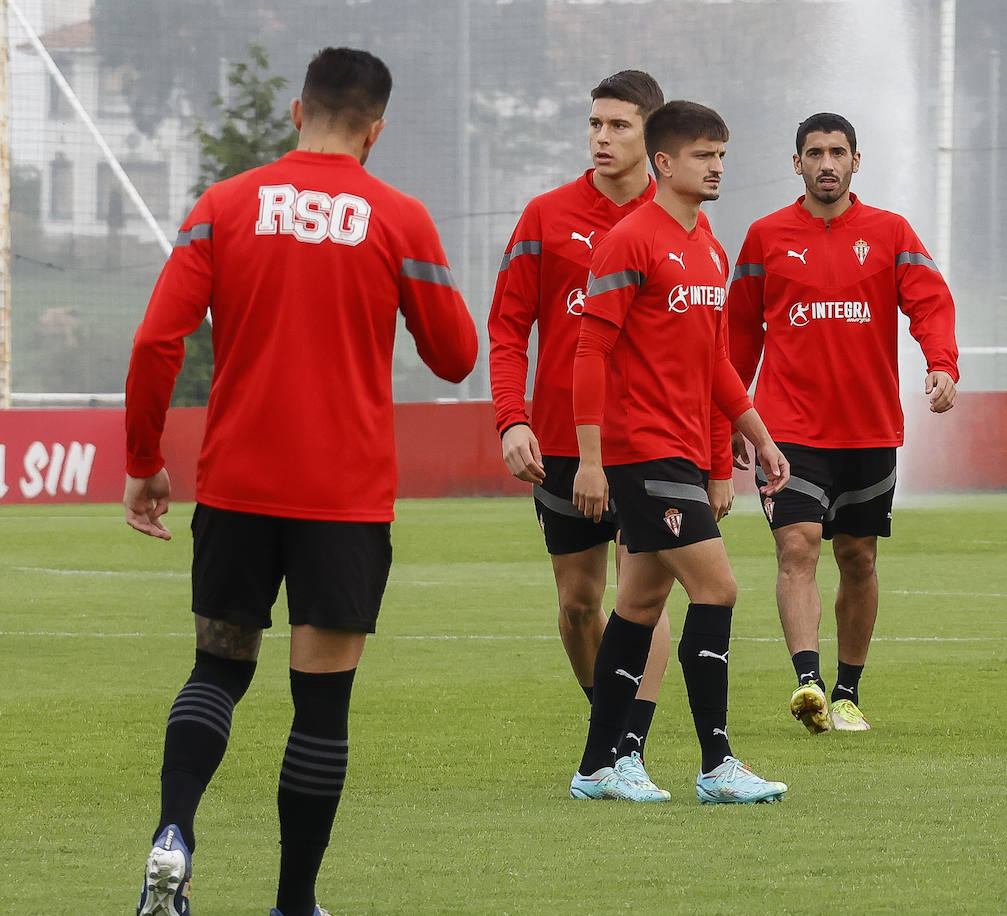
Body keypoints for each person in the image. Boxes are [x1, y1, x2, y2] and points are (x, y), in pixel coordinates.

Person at [124, 47, 478, 916]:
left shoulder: (224, 206)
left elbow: (154, 343)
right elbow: (457, 356)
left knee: (217, 668)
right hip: (343, 498)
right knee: (320, 706)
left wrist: (142, 462)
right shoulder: (398, 217)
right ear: (377, 129)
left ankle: (173, 837)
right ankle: (293, 903)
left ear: (296, 111)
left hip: (238, 485)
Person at [568, 100, 790, 803]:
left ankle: (599, 766)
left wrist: (755, 436)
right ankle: (716, 764)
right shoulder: (630, 241)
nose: (718, 166)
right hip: (642, 453)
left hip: (687, 452)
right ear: (665, 163)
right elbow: (589, 351)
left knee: (638, 606)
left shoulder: (709, 246)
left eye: (722, 154)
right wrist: (593, 459)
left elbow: (714, 361)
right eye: (704, 155)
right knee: (718, 588)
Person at [727, 112, 959, 735]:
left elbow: (931, 301)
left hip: (871, 430)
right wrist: (730, 415)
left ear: (857, 161)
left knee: (858, 557)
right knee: (796, 545)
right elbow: (739, 332)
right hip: (788, 431)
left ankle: (847, 690)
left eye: (837, 152)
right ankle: (808, 684)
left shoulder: (889, 232)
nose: (826, 163)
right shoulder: (765, 236)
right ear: (796, 163)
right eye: (814, 153)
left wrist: (942, 364)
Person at [487, 71, 678, 799]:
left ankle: (625, 750)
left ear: (652, 136)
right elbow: (507, 329)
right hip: (563, 447)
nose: (601, 137)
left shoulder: (681, 222)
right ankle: (610, 738)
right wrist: (512, 419)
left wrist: (721, 447)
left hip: (651, 442)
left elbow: (704, 343)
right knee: (577, 605)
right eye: (594, 124)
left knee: (646, 592)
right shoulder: (545, 216)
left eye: (619, 126)